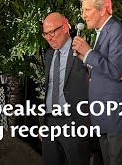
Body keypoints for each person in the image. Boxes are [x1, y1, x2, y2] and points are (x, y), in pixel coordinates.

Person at [72, 0, 122, 165]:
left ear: (102, 10)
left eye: (87, 10)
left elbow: (117, 71)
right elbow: (102, 70)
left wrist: (89, 53)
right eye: (83, 10)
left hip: (118, 118)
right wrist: (85, 58)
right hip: (105, 118)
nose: (84, 16)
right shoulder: (102, 32)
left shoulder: (117, 31)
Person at [41, 12, 95, 165]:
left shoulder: (81, 51)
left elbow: (99, 77)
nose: (49, 38)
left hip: (74, 123)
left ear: (65, 27)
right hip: (50, 123)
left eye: (52, 32)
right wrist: (43, 123)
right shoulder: (49, 55)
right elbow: (48, 90)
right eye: (45, 34)